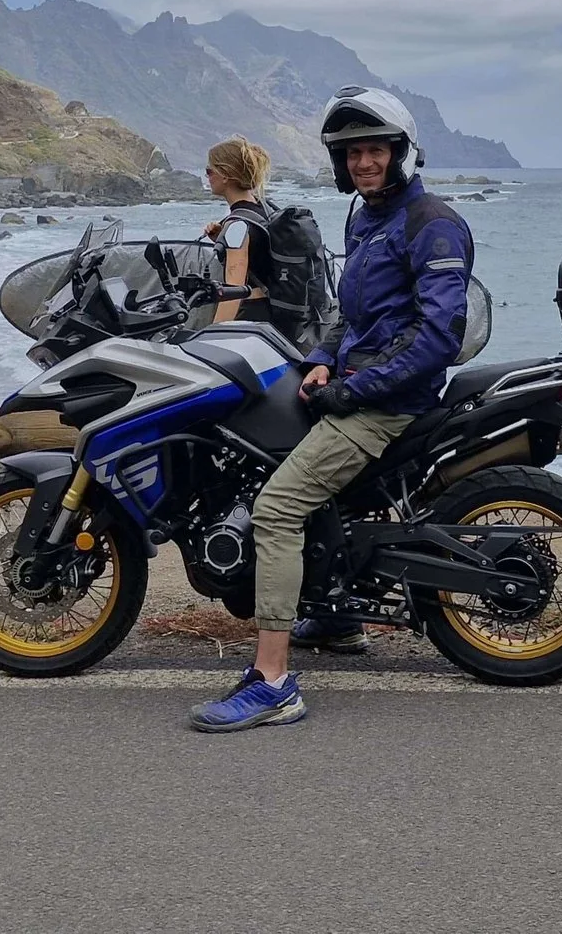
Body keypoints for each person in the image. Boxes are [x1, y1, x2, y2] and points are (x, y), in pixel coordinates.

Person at [188, 88, 475, 732]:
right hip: (356, 384)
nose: (363, 163)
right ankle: (339, 612)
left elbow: (438, 336)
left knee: (279, 506)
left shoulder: (432, 223)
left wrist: (357, 388)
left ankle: (273, 682)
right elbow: (351, 312)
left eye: (374, 150)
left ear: (401, 152)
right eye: (352, 154)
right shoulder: (363, 217)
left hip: (390, 403)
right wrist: (321, 357)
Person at [200, 135, 281, 332]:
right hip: (273, 313)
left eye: (209, 171)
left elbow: (233, 292)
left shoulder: (237, 225)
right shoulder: (264, 209)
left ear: (225, 175)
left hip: (251, 315)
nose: (207, 178)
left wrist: (211, 336)